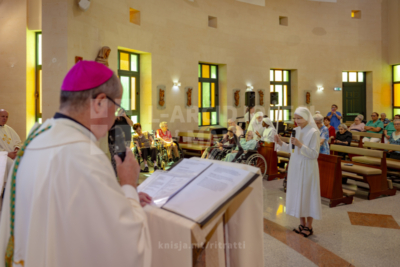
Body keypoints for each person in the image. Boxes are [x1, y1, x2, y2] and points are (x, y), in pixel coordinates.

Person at [0, 61, 151, 267]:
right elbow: (127, 247)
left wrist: (121, 197)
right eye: (115, 108)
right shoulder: (84, 157)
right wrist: (128, 184)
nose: (114, 118)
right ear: (99, 103)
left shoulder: (36, 138)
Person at [275, 107, 322, 238]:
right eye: (295, 118)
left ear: (306, 117)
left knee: (308, 194)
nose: (296, 121)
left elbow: (314, 154)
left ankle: (309, 226)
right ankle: (301, 223)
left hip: (308, 166)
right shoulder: (295, 130)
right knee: (298, 194)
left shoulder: (314, 132)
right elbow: (291, 149)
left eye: (299, 118)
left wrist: (301, 144)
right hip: (296, 165)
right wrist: (280, 142)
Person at [0, 109, 22, 190]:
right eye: (2, 116)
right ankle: (9, 189)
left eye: (6, 117)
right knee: (12, 164)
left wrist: (16, 148)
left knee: (23, 161)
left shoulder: (9, 129)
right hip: (2, 156)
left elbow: (17, 141)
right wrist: (7, 154)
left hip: (13, 154)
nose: (5, 118)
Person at [108, 109, 134, 174]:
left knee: (125, 157)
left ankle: (124, 173)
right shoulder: (113, 118)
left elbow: (131, 124)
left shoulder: (127, 118)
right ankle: (114, 173)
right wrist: (116, 117)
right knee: (115, 157)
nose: (121, 113)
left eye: (123, 112)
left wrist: (125, 116)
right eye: (119, 112)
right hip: (114, 141)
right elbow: (108, 126)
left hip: (125, 141)